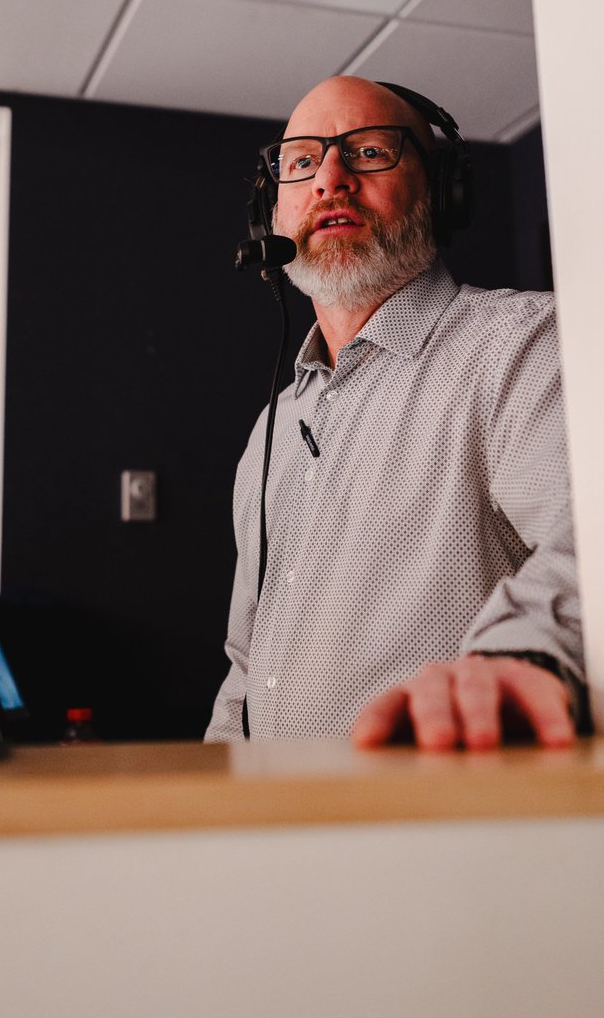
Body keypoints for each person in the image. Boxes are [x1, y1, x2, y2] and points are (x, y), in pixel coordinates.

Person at [205, 75, 585, 750]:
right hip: (267, 835)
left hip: (447, 830)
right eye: (301, 162)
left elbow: (588, 534)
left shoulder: (521, 347)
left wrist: (519, 658)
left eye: (368, 151)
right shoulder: (271, 429)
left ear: (442, 192)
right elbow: (245, 664)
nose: (329, 179)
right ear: (274, 211)